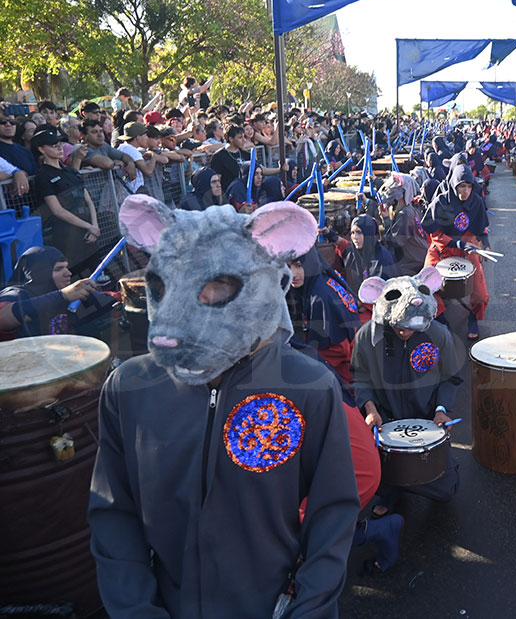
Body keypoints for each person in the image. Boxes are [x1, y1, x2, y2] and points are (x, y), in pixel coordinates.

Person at [90, 196, 359, 618]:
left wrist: (309, 607)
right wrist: (137, 609)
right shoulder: (130, 389)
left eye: (217, 287)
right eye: (166, 286)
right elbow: (114, 512)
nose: (180, 317)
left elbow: (332, 513)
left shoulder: (308, 387)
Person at [353, 268, 463, 519]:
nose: (405, 332)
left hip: (426, 418)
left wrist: (441, 409)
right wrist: (370, 409)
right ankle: (391, 489)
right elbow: (359, 376)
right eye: (399, 326)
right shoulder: (366, 336)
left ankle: (416, 479)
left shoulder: (438, 335)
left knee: (446, 491)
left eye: (411, 326)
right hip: (386, 419)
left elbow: (450, 377)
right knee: (383, 479)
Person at [421, 163, 490, 339]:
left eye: (469, 186)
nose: (465, 191)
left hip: (467, 248)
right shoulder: (441, 202)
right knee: (425, 286)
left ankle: (473, 317)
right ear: (454, 185)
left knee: (481, 294)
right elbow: (435, 234)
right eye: (461, 186)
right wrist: (456, 243)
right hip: (442, 248)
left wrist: (486, 243)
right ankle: (441, 319)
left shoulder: (476, 202)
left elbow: (481, 228)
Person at [0, 246, 111, 341]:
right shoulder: (18, 293)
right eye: (59, 269)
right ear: (39, 273)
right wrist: (62, 295)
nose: (68, 273)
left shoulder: (65, 291)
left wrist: (120, 294)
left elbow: (107, 298)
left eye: (66, 267)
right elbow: (2, 318)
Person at [31, 129, 102, 277]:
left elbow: (88, 200)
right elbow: (57, 210)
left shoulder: (71, 172)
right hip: (67, 235)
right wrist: (89, 226)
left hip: (89, 232)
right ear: (42, 149)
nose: (59, 147)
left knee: (100, 272)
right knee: (73, 276)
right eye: (53, 145)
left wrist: (94, 226)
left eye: (59, 144)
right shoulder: (43, 176)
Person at [288, 245, 362, 385]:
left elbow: (338, 350)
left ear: (310, 263)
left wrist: (305, 362)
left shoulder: (319, 298)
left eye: (298, 265)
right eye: (288, 266)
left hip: (345, 375)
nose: (292, 274)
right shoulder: (322, 278)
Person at [379, 173, 428, 275]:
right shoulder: (410, 208)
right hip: (417, 259)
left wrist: (386, 220)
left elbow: (394, 242)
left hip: (413, 264)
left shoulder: (405, 213)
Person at [342, 214, 398, 296]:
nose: (355, 237)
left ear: (368, 234)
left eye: (359, 232)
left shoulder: (383, 259)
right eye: (352, 233)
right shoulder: (354, 254)